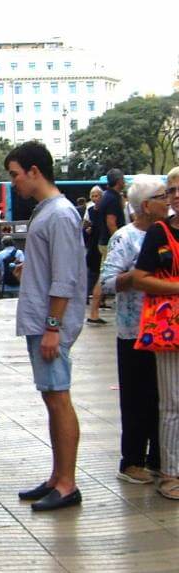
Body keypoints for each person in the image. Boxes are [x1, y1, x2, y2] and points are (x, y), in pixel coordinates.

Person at [5, 141, 86, 512]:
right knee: (51, 397)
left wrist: (54, 326)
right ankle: (58, 476)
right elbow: (53, 268)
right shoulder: (48, 212)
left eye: (15, 174)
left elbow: (66, 277)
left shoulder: (60, 214)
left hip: (49, 323)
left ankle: (67, 483)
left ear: (34, 171)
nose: (14, 183)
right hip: (41, 319)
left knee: (58, 397)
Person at [100, 175, 168, 485]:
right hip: (134, 330)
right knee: (136, 398)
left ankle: (158, 457)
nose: (168, 201)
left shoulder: (166, 234)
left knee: (162, 397)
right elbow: (107, 282)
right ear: (145, 205)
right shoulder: (125, 238)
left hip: (165, 330)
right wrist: (139, 276)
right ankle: (132, 461)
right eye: (162, 196)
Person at [132, 165, 179, 501]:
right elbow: (139, 278)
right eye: (172, 190)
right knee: (172, 403)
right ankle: (171, 474)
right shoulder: (160, 233)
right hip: (169, 328)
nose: (174, 196)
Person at [89, 170, 127, 325]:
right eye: (123, 179)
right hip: (109, 243)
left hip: (105, 241)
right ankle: (93, 313)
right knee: (103, 277)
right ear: (118, 181)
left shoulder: (108, 196)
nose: (124, 182)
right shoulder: (111, 198)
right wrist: (121, 242)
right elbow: (111, 222)